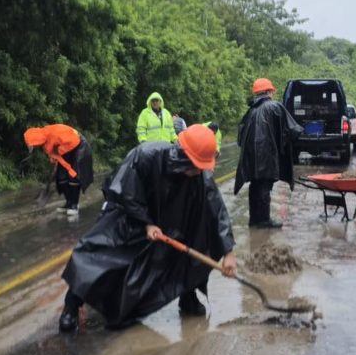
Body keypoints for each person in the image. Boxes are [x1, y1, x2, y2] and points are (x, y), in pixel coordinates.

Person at [58, 124, 237, 333]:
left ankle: (188, 298)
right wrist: (146, 222)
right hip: (131, 215)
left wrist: (228, 252)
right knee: (97, 254)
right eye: (196, 165)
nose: (199, 171)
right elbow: (123, 190)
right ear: (183, 155)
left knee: (196, 242)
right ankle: (72, 305)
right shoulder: (146, 155)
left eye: (201, 167)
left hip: (171, 223)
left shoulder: (201, 176)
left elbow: (217, 210)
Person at [234, 78, 303, 228]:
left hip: (251, 159)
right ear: (269, 92)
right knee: (265, 187)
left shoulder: (250, 111)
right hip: (267, 157)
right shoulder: (275, 107)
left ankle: (254, 220)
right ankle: (264, 221)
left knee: (255, 186)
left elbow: (240, 138)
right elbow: (293, 130)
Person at [23, 124, 94, 215]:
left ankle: (74, 205)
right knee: (61, 179)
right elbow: (52, 151)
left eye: (34, 145)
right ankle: (69, 203)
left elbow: (74, 141)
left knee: (73, 176)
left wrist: (59, 152)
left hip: (78, 146)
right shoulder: (44, 141)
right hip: (66, 149)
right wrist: (54, 157)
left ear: (37, 140)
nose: (36, 147)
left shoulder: (55, 133)